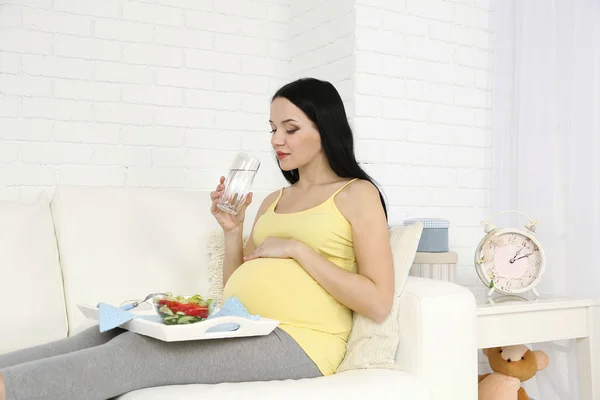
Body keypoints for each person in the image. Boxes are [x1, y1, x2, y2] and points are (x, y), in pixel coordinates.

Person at [0, 77, 394, 400]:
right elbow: (234, 286)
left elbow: (378, 301)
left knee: (142, 352)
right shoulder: (274, 199)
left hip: (302, 341)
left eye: (290, 129)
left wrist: (298, 250)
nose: (277, 140)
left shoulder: (357, 194)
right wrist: (233, 230)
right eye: (273, 129)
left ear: (325, 128)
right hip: (242, 322)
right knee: (113, 327)